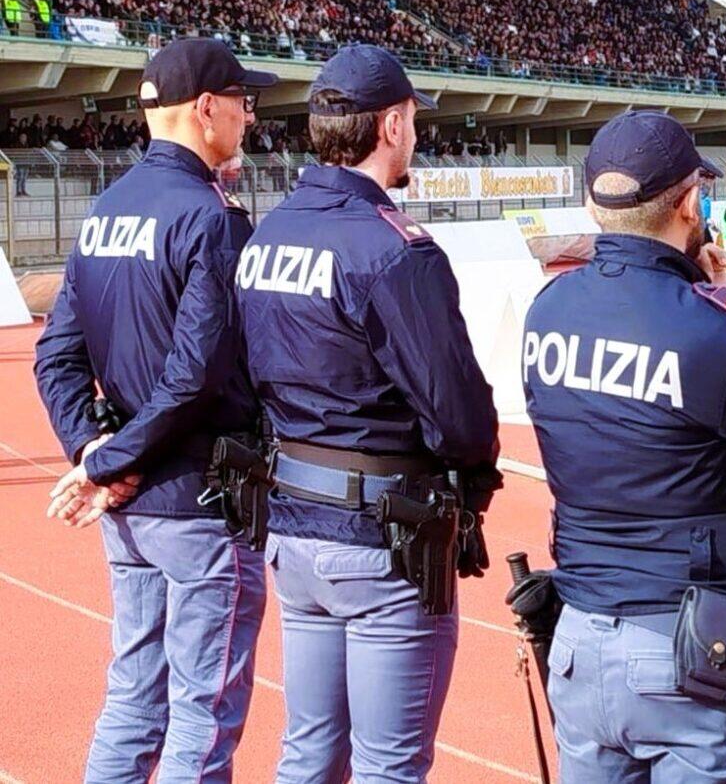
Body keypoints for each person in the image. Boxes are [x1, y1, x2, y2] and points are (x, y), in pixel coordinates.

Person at [524, 111, 726, 783]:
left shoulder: (550, 307)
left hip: (580, 636)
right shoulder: (716, 331)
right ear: (690, 202)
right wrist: (714, 294)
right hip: (688, 650)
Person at [235, 44, 501, 783]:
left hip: (293, 525)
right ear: (389, 125)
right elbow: (458, 412)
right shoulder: (395, 250)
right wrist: (473, 476)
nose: (415, 135)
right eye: (412, 120)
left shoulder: (268, 232)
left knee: (309, 751)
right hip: (383, 542)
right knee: (389, 765)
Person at [34, 38, 277, 783]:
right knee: (201, 720)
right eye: (243, 100)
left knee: (135, 699)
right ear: (207, 109)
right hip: (200, 502)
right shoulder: (213, 218)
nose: (249, 115)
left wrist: (94, 454)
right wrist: (107, 460)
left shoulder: (107, 208)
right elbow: (195, 377)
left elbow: (57, 356)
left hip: (130, 509)